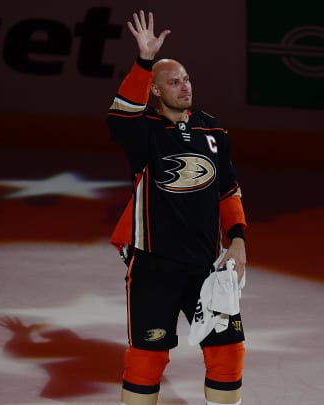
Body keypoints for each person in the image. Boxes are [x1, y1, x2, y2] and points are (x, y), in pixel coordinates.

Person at [106, 10, 248, 405]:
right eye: (173, 81)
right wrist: (144, 61)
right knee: (146, 359)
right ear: (154, 90)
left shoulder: (213, 130)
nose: (184, 86)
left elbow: (228, 190)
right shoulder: (143, 133)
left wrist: (237, 241)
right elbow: (118, 116)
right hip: (153, 266)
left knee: (229, 352)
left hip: (206, 267)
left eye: (186, 79)